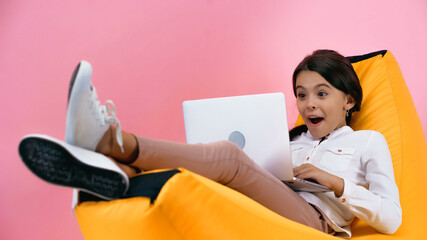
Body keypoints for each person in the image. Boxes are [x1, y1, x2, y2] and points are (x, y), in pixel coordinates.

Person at [18, 50, 402, 238]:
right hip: (269, 204)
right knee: (204, 174)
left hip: (316, 225)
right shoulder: (289, 140)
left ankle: (111, 142)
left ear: (349, 100)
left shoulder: (369, 141)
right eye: (301, 95)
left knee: (229, 157)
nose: (309, 104)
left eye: (322, 93)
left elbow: (393, 217)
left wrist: (335, 183)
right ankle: (116, 173)